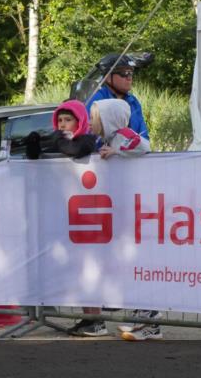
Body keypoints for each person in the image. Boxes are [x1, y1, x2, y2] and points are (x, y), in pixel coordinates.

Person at [67, 99, 156, 339]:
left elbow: (145, 146)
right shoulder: (106, 139)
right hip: (122, 212)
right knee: (129, 268)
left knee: (138, 267)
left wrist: (118, 152)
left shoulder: (123, 135)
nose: (92, 122)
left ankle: (151, 324)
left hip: (132, 212)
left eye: (95, 118)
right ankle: (142, 322)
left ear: (108, 120)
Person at [84, 55, 149, 140]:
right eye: (124, 73)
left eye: (131, 73)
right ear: (108, 78)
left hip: (132, 151)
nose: (129, 77)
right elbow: (90, 135)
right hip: (103, 152)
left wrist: (138, 147)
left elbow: (143, 135)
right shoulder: (97, 100)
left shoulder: (133, 101)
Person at [25, 99, 96, 160]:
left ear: (80, 122)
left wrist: (58, 139)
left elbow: (74, 149)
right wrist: (33, 144)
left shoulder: (88, 140)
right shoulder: (59, 140)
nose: (62, 125)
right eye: (60, 120)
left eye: (68, 120)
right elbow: (39, 158)